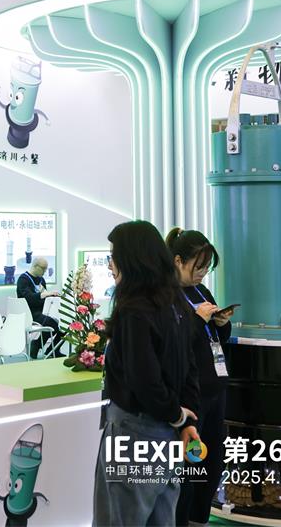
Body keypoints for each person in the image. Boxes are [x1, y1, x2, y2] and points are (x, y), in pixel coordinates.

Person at [94, 221, 200, 527]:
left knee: (120, 519)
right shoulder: (176, 303)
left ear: (132, 259)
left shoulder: (134, 310)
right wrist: (185, 421)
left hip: (134, 432)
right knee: (161, 519)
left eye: (113, 256)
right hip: (168, 436)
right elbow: (189, 368)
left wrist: (177, 416)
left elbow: (144, 379)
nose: (110, 264)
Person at [166, 228, 230, 527]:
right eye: (198, 266)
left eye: (207, 267)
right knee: (190, 466)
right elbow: (173, 344)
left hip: (216, 387)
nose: (203, 273)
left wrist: (221, 323)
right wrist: (197, 319)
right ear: (178, 261)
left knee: (213, 461)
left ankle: (199, 520)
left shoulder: (201, 292)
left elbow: (216, 338)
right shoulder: (166, 296)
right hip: (191, 394)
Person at [16, 257, 62, 358]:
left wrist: (51, 296)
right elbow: (28, 298)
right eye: (43, 268)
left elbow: (44, 297)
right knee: (52, 324)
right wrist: (45, 294)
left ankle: (53, 349)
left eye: (46, 269)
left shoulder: (41, 280)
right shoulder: (23, 280)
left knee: (65, 325)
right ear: (35, 266)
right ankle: (36, 344)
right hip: (29, 312)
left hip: (43, 311)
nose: (45, 271)